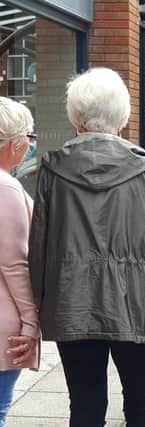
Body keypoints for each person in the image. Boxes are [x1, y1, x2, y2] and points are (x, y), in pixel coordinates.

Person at [28, 68, 145, 427]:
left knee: (85, 408)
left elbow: (39, 243)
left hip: (74, 300)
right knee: (144, 407)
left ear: (76, 118)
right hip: (141, 302)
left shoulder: (52, 171)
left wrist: (39, 300)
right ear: (123, 116)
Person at [0, 97, 40, 427]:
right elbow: (14, 264)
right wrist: (31, 322)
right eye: (29, 135)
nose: (30, 143)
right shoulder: (7, 189)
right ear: (13, 142)